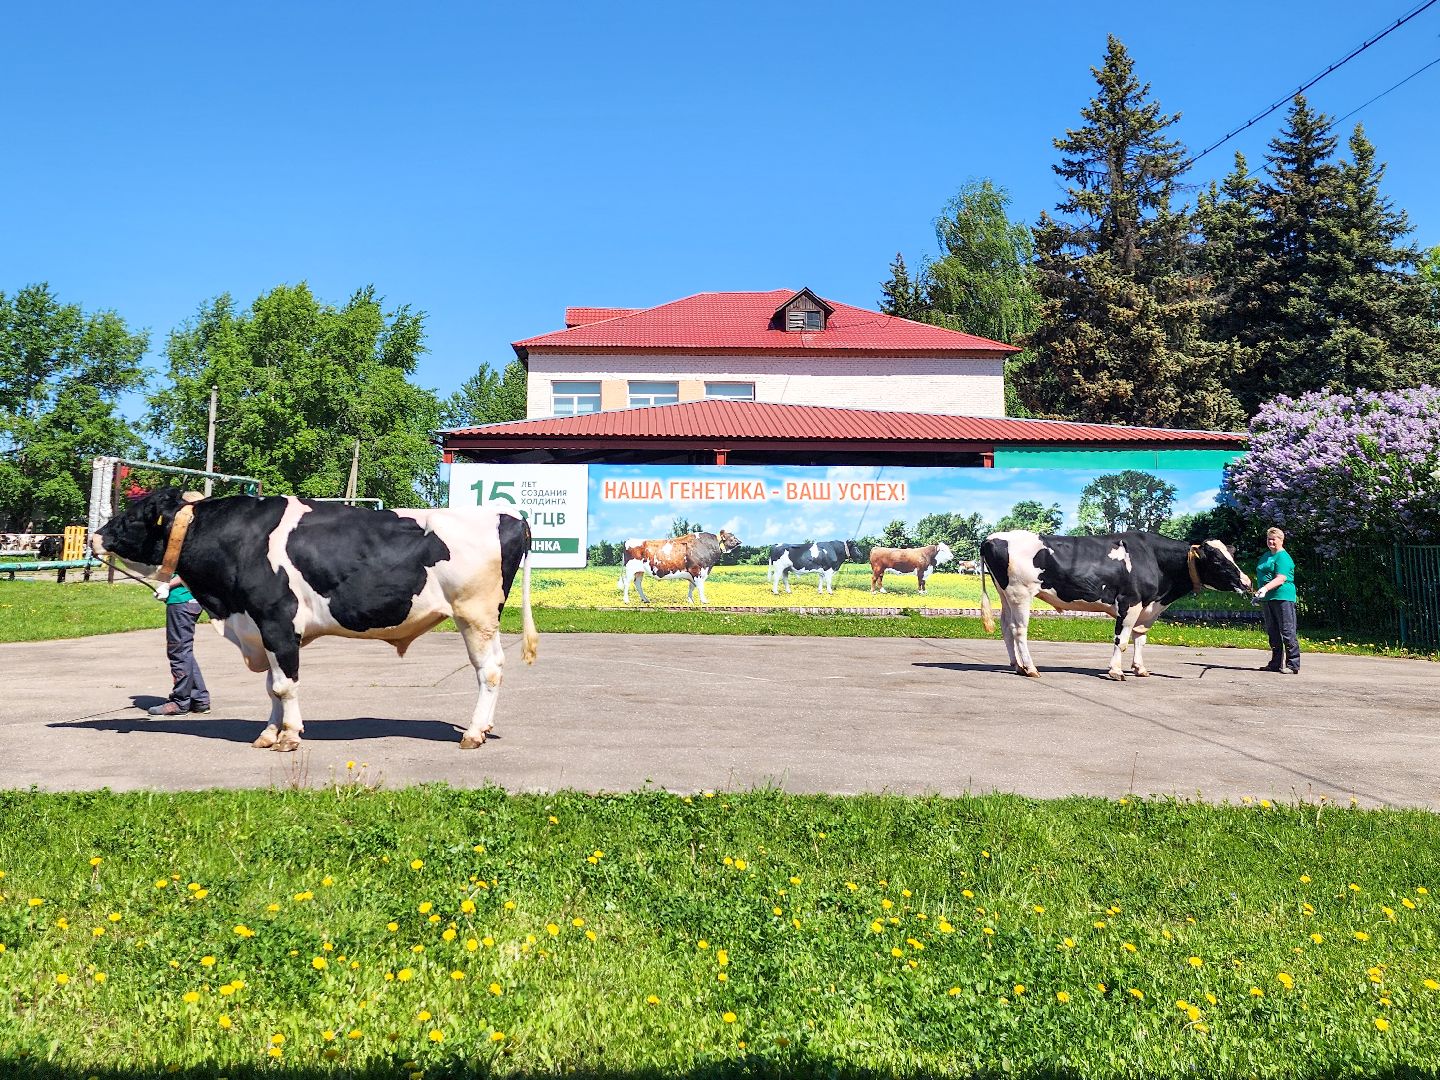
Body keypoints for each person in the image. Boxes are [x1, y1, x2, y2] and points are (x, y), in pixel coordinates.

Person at [148, 574, 212, 715]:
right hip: (188, 599)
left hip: (182, 600)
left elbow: (187, 571)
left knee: (178, 652)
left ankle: (180, 701)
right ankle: (199, 699)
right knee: (184, 651)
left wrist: (167, 585)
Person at [1254, 526, 1299, 674]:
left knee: (1287, 630)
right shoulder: (1266, 556)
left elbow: (1281, 578)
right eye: (1269, 539)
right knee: (1272, 631)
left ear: (1281, 540)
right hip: (1268, 598)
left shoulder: (1283, 557)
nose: (1271, 542)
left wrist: (1265, 588)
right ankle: (1275, 663)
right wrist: (1258, 591)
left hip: (1282, 597)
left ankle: (1293, 665)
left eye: (1274, 539)